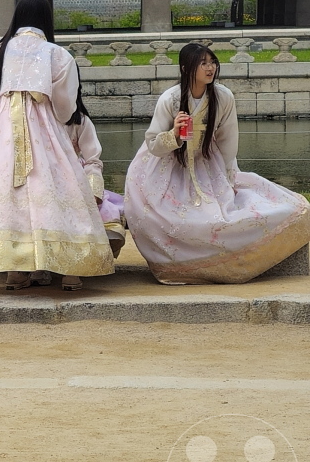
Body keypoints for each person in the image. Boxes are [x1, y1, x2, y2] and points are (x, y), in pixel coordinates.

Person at [0, 0, 114, 291]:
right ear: (45, 20)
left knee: (4, 191)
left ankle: (13, 269)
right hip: (43, 126)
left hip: (2, 129)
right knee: (56, 186)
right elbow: (66, 106)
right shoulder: (57, 54)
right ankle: (71, 270)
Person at [125, 43, 310, 284]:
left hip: (206, 162)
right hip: (166, 165)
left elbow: (227, 140)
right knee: (164, 216)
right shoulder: (170, 99)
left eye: (212, 62)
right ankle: (175, 266)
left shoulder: (223, 97)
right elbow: (153, 143)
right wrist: (175, 135)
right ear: (185, 68)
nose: (210, 68)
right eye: (203, 63)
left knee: (227, 212)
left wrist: (228, 176)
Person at [64, 76, 127, 258]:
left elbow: (92, 160)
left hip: (76, 180)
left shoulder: (80, 122)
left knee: (95, 211)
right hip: (45, 178)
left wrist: (93, 191)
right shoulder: (38, 121)